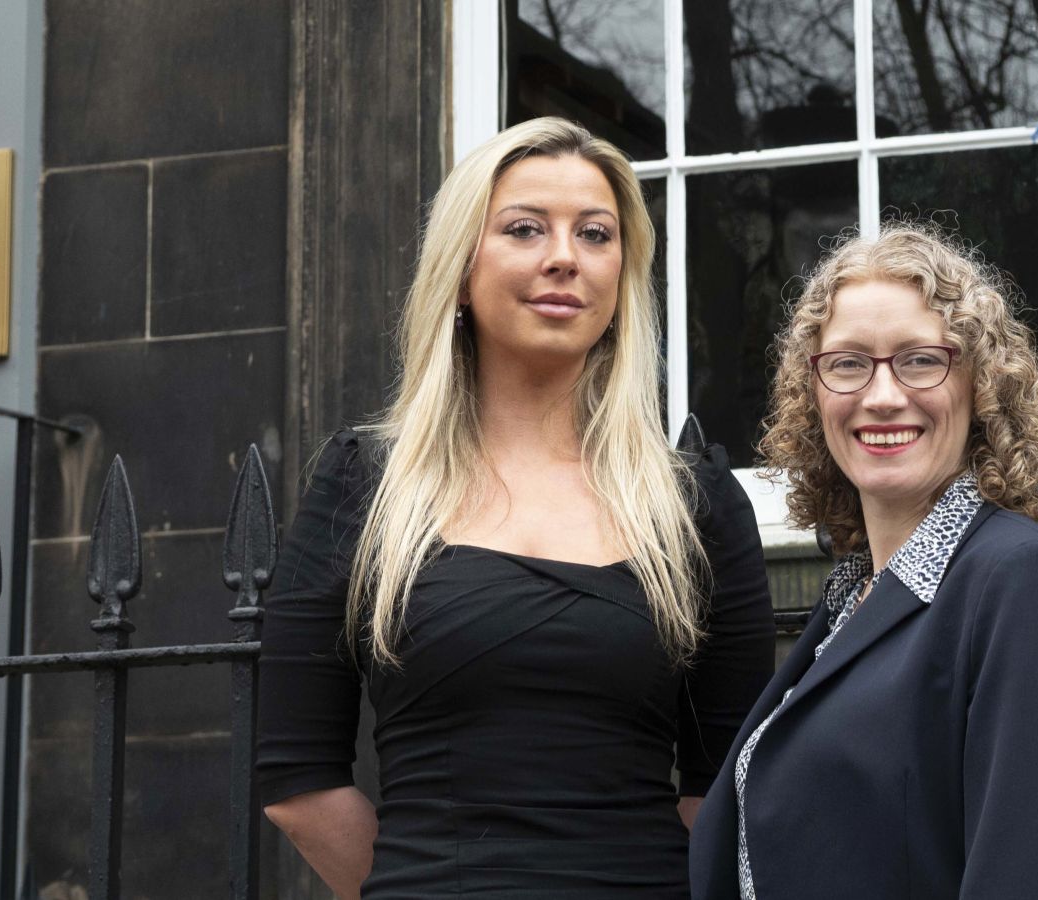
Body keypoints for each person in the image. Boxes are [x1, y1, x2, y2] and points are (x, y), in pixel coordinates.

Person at [255, 117, 775, 898]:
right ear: (462, 270)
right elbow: (297, 780)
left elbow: (726, 786)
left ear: (621, 279)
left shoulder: (695, 505)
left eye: (595, 234)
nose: (564, 256)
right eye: (525, 228)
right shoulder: (367, 484)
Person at [690, 224, 1038, 899]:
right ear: (813, 392)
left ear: (980, 384)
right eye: (848, 363)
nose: (883, 395)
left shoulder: (1027, 583)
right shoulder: (854, 595)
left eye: (920, 360)